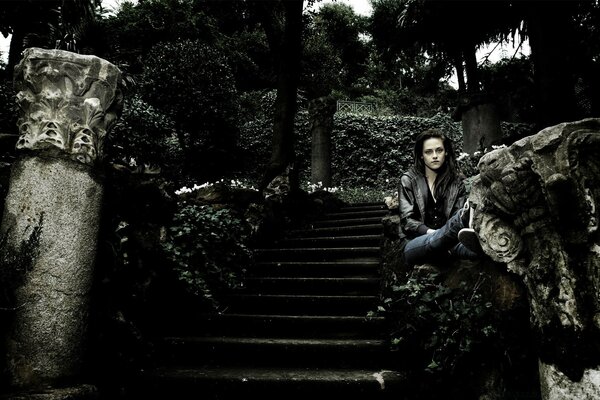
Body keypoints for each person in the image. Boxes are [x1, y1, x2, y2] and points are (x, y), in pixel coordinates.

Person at [398, 128, 480, 267]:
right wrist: (434, 233)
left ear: (446, 152)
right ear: (421, 155)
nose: (434, 156)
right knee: (435, 241)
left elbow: (455, 213)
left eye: (439, 150)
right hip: (416, 243)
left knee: (474, 252)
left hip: (449, 243)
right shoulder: (408, 180)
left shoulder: (456, 182)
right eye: (428, 152)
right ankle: (462, 219)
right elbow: (407, 221)